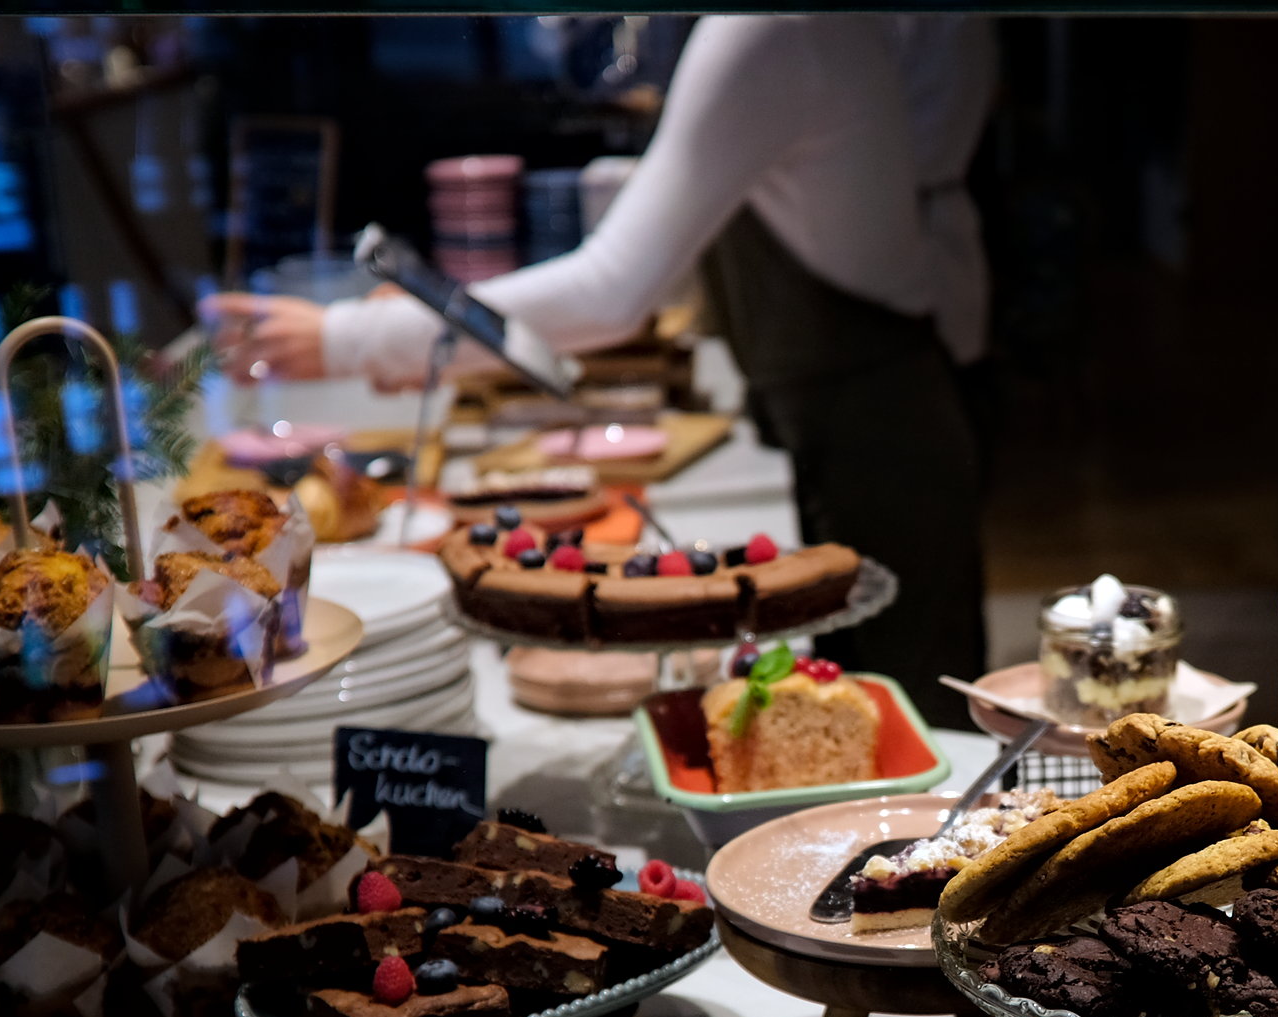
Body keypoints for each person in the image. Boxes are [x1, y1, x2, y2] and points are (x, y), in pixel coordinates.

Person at [206, 14, 997, 718]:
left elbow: (614, 290)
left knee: (923, 759)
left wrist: (356, 340)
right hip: (851, 424)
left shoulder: (775, 27)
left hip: (882, 448)